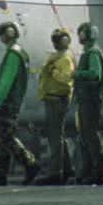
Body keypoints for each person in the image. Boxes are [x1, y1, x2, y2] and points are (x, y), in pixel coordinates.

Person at [0, 21, 40, 187]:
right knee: (1, 138)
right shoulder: (19, 53)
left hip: (7, 103)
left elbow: (6, 81)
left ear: (3, 36)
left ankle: (30, 164)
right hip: (13, 102)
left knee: (6, 137)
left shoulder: (13, 54)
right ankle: (1, 175)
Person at [36, 28, 75, 185]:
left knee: (55, 137)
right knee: (58, 136)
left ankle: (55, 172)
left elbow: (66, 78)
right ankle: (66, 169)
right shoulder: (56, 57)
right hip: (51, 98)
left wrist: (53, 70)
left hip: (57, 100)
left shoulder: (64, 59)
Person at [72, 22, 103, 185]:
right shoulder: (91, 52)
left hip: (90, 100)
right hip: (87, 99)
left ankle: (97, 171)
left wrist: (76, 73)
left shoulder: (92, 53)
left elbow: (95, 74)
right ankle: (88, 171)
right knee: (86, 136)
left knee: (90, 135)